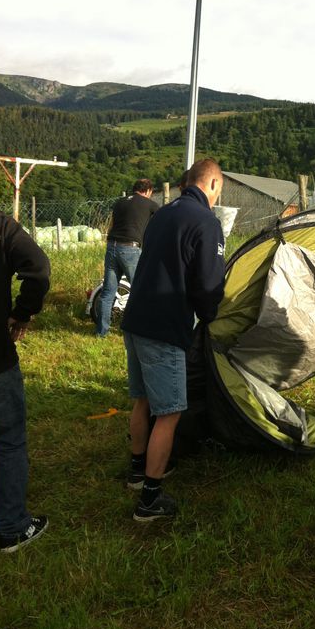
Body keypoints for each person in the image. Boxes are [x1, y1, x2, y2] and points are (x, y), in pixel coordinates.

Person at [121, 159, 225, 521]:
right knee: (170, 413)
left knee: (142, 400)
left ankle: (136, 472)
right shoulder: (206, 222)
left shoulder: (162, 214)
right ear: (212, 184)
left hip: (135, 320)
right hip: (164, 327)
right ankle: (150, 499)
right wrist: (211, 315)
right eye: (219, 191)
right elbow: (209, 285)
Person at [0, 186, 51, 552]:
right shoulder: (2, 226)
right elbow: (39, 269)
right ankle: (12, 527)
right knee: (10, 443)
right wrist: (21, 312)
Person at [96, 178, 159, 337]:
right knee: (140, 291)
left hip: (112, 246)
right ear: (148, 191)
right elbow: (160, 222)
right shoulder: (149, 204)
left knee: (108, 292)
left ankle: (101, 332)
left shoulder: (120, 202)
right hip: (130, 249)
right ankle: (140, 330)